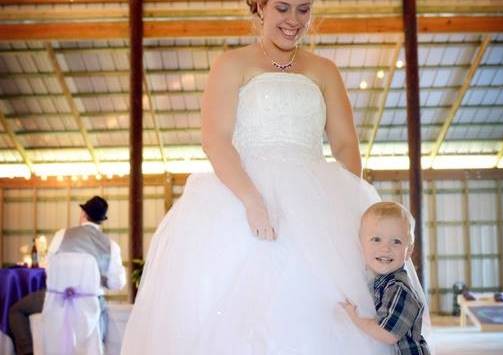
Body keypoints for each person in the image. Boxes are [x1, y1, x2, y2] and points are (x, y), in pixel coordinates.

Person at [121, 1, 425, 354]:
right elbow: (215, 139)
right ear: (260, 7)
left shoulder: (324, 70)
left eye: (303, 9)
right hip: (240, 195)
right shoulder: (231, 64)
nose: (293, 20)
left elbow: (344, 145)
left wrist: (343, 204)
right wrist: (251, 199)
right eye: (282, 8)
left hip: (314, 196)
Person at [8, 196, 126, 355]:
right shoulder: (111, 246)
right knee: (100, 312)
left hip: (56, 299)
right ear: (101, 220)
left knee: (16, 311)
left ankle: (27, 352)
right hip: (91, 303)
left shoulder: (62, 235)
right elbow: (116, 283)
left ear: (83, 214)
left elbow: (49, 269)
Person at [340, 201, 430, 354]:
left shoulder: (399, 288)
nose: (386, 248)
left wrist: (355, 319)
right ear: (361, 244)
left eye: (396, 241)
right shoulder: (380, 281)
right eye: (376, 239)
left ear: (409, 250)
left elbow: (389, 334)